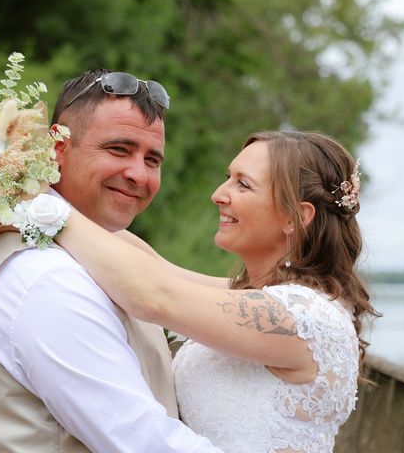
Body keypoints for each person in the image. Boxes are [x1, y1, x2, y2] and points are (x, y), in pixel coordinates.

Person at [54, 130, 377, 452]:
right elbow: (157, 268)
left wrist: (47, 213)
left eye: (243, 184)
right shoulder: (264, 297)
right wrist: (36, 185)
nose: (219, 194)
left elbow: (153, 296)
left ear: (295, 217)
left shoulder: (304, 316)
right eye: (228, 178)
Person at [0, 70, 222, 452]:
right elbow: (142, 441)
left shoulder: (107, 248)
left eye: (152, 159)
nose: (138, 175)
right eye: (119, 149)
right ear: (57, 148)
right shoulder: (45, 275)